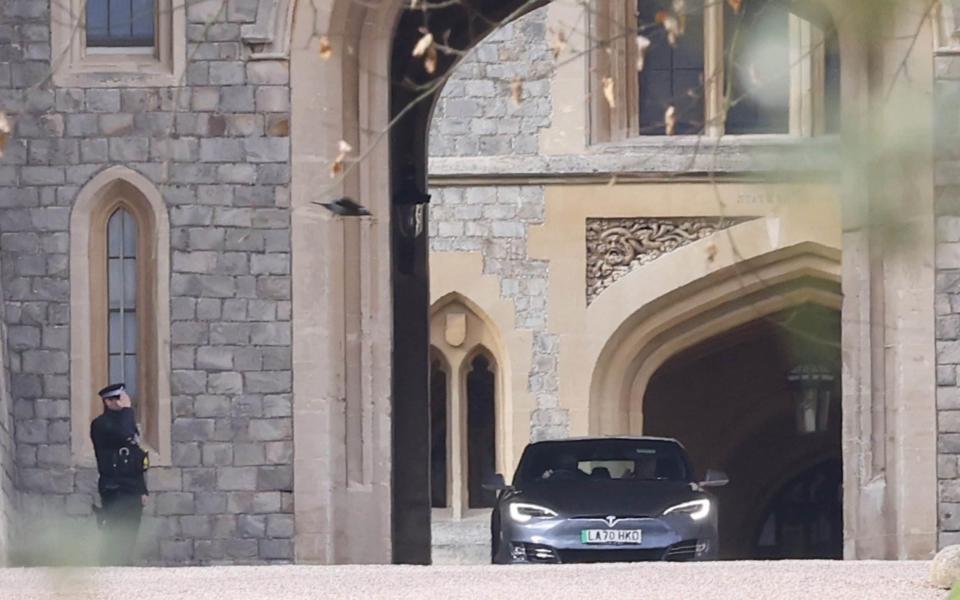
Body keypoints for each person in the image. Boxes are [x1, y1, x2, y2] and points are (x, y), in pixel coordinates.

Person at [90, 383, 149, 566]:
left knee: (130, 532)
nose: (122, 402)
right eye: (117, 399)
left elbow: (136, 458)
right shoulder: (101, 424)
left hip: (132, 487)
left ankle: (124, 570)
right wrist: (128, 411)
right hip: (114, 487)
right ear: (107, 402)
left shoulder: (125, 420)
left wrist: (143, 490)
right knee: (115, 531)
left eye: (122, 397)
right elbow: (125, 434)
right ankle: (110, 569)